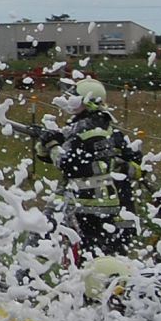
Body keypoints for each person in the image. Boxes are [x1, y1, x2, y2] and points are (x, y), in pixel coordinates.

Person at [42, 77, 134, 258]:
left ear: (88, 102)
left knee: (44, 237)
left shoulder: (85, 130)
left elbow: (68, 165)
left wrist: (52, 146)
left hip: (84, 203)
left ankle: (26, 278)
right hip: (105, 202)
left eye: (75, 98)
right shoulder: (105, 127)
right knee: (99, 250)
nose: (70, 102)